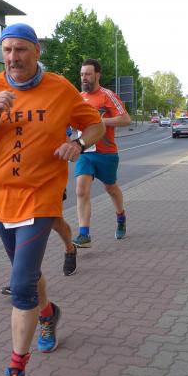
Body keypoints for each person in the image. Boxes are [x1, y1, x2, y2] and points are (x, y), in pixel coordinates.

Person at [0, 23, 105, 376]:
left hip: (41, 198)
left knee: (21, 285)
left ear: (37, 51)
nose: (13, 58)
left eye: (20, 49)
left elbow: (95, 124)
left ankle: (15, 375)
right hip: (1, 200)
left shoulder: (59, 89)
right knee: (30, 277)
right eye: (7, 50)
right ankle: (49, 314)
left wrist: (77, 143)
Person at [72, 58, 132, 247]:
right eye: (82, 74)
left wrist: (99, 122)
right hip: (85, 151)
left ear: (97, 75)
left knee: (111, 188)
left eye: (88, 74)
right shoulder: (78, 98)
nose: (84, 78)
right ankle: (84, 234)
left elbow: (126, 119)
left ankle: (121, 217)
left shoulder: (108, 96)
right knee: (81, 190)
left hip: (106, 153)